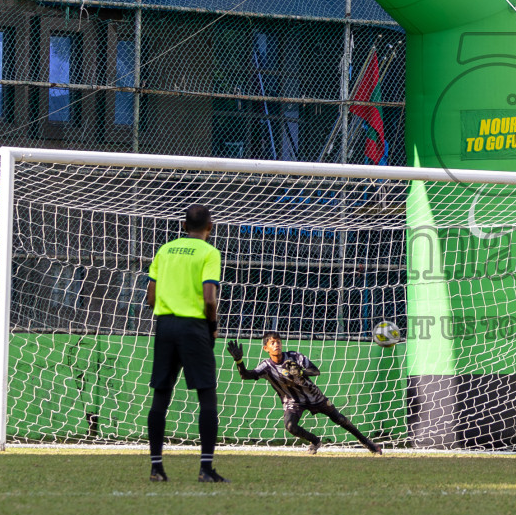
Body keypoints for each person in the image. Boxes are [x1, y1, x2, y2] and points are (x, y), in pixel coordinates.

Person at [144, 204, 226, 483]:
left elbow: (151, 296)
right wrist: (212, 327)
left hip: (165, 325)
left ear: (182, 226)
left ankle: (156, 468)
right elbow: (209, 298)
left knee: (161, 394)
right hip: (194, 327)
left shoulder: (165, 250)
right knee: (206, 394)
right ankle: (205, 469)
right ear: (210, 227)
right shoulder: (209, 252)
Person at [228, 332, 383, 454]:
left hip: (313, 395)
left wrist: (300, 371)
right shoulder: (266, 366)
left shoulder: (295, 357)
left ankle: (368, 444)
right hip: (293, 401)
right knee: (290, 426)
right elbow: (245, 375)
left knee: (340, 419)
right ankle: (315, 441)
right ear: (266, 348)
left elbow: (316, 371)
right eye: (272, 343)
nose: (277, 345)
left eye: (279, 342)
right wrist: (239, 362)